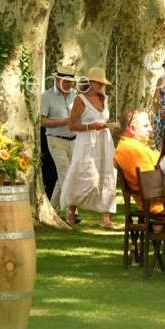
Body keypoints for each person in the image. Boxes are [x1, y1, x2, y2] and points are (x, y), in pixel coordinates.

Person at [60, 67, 117, 229]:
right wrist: (90, 126)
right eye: (98, 82)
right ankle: (71, 212)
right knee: (83, 175)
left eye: (102, 83)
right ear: (90, 83)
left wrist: (108, 126)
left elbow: (103, 119)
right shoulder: (80, 99)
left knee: (107, 175)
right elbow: (72, 125)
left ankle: (105, 218)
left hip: (104, 141)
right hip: (86, 142)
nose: (101, 85)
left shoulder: (105, 99)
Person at [41, 66, 76, 210]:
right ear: (57, 80)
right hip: (55, 139)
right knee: (66, 176)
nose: (69, 85)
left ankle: (51, 209)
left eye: (71, 82)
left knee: (63, 177)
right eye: (66, 81)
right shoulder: (46, 96)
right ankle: (71, 211)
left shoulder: (75, 94)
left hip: (74, 139)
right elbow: (42, 121)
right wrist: (64, 121)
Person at [114, 109, 162, 214]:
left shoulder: (136, 146)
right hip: (162, 205)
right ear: (132, 129)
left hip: (162, 200)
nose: (151, 129)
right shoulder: (132, 149)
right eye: (146, 126)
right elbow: (153, 186)